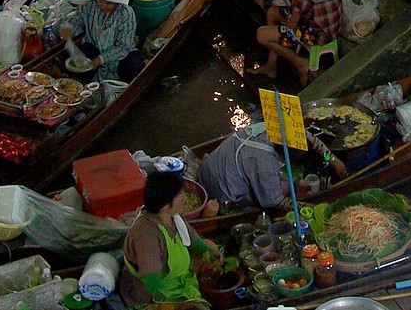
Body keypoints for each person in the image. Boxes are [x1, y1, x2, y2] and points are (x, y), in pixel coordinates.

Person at [119, 172, 217, 310]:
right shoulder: (147, 236)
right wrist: (175, 303)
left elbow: (191, 238)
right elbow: (151, 280)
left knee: (209, 245)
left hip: (175, 280)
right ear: (164, 204)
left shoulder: (173, 216)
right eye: (179, 195)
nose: (184, 197)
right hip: (153, 293)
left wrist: (208, 252)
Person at [247, 0, 344, 85]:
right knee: (272, 12)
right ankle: (271, 66)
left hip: (318, 36)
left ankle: (300, 63)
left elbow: (291, 27)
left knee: (261, 35)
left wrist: (281, 31)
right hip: (332, 27)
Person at [198, 121, 348, 209]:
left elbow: (313, 141)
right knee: (282, 188)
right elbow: (276, 202)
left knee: (286, 184)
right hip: (221, 189)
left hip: (215, 165)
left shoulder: (282, 130)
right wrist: (307, 206)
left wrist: (333, 160)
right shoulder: (264, 162)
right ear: (285, 158)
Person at [60, 0, 145, 82]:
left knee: (133, 66)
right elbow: (75, 23)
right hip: (94, 46)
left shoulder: (126, 13)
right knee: (76, 66)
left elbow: (123, 46)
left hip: (121, 52)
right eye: (100, 1)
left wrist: (101, 59)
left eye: (109, 3)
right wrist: (68, 30)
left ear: (117, 2)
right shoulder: (88, 7)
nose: (103, 6)